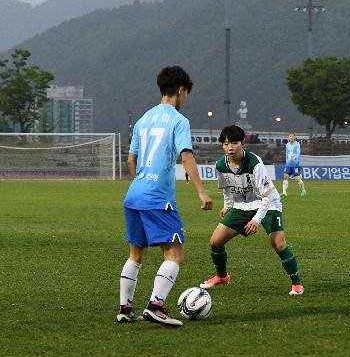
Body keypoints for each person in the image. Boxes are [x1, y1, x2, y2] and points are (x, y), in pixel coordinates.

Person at [117, 66, 213, 327]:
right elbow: (186, 156)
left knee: (136, 254)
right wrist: (202, 191)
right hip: (158, 197)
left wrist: (141, 179)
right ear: (181, 90)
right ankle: (155, 306)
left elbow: (131, 159)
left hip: (134, 194)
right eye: (186, 94)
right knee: (174, 253)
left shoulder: (143, 119)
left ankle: (125, 309)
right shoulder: (178, 121)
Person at [200, 125, 304, 295]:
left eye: (234, 143)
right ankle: (222, 276)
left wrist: (256, 220)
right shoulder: (220, 164)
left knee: (278, 244)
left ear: (243, 143)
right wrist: (227, 205)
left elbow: (266, 196)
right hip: (242, 206)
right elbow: (226, 187)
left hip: (268, 203)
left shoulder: (254, 163)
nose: (230, 147)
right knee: (215, 242)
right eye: (226, 144)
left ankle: (296, 283)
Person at [281, 132, 306, 196]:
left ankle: (303, 191)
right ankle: (284, 192)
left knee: (298, 179)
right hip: (288, 165)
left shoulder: (297, 144)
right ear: (288, 138)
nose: (291, 137)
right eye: (290, 136)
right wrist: (287, 161)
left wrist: (293, 158)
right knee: (285, 177)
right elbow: (287, 154)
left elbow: (298, 153)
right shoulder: (287, 145)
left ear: (294, 137)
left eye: (292, 136)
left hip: (295, 165)